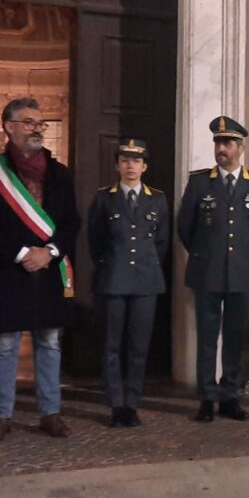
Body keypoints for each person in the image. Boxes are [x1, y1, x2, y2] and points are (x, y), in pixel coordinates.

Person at [0, 97, 80, 444]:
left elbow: (71, 221)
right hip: (8, 269)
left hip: (48, 268)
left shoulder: (59, 173)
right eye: (29, 122)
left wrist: (49, 252)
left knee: (49, 342)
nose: (37, 129)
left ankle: (51, 413)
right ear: (9, 126)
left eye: (40, 123)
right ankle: (1, 417)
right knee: (5, 345)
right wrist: (21, 253)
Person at [177, 116, 249, 423]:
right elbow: (185, 227)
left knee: (235, 337)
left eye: (228, 143)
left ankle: (230, 395)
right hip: (207, 271)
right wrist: (207, 253)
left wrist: (242, 252)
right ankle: (207, 397)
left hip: (242, 272)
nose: (222, 148)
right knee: (206, 337)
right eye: (218, 142)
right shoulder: (200, 181)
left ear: (241, 148)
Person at [88, 138, 170, 428]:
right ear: (117, 165)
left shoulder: (157, 199)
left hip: (146, 282)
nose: (130, 166)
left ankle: (132, 403)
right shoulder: (104, 198)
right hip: (112, 280)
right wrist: (112, 266)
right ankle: (115, 404)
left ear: (144, 166)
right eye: (125, 160)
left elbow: (161, 243)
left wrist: (143, 268)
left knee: (139, 347)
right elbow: (95, 241)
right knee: (111, 346)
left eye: (136, 161)